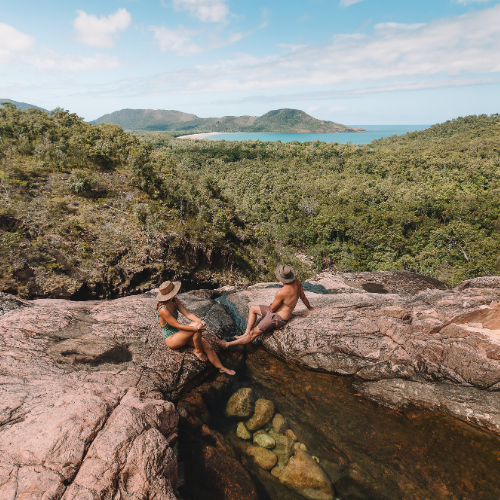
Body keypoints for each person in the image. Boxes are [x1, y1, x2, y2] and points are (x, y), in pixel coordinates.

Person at [218, 265, 316, 348]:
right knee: (253, 308)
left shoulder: (281, 292)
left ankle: (227, 345)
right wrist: (310, 308)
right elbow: (303, 297)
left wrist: (271, 306)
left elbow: (272, 309)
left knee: (253, 334)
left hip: (277, 318)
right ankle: (245, 333)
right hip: (276, 313)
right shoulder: (298, 282)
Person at [156, 280, 235, 375]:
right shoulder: (163, 309)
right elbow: (177, 325)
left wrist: (200, 321)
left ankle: (221, 368)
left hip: (180, 334)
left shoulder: (175, 300)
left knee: (208, 347)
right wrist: (196, 328)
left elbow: (188, 314)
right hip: (172, 339)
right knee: (197, 326)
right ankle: (198, 351)